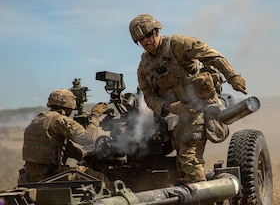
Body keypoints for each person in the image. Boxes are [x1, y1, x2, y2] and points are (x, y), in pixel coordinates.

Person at [129, 13, 247, 184]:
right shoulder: (144, 67)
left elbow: (211, 55)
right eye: (141, 39)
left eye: (148, 35)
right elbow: (149, 97)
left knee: (189, 158)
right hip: (180, 114)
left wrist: (233, 77)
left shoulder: (178, 44)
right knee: (182, 168)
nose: (146, 41)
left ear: (156, 31)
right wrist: (172, 107)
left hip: (202, 105)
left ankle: (204, 197)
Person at [19, 88, 111, 190]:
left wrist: (84, 154)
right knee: (100, 178)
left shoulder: (38, 120)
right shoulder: (59, 120)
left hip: (29, 176)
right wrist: (95, 115)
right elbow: (87, 138)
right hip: (51, 175)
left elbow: (60, 147)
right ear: (68, 107)